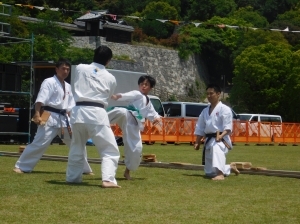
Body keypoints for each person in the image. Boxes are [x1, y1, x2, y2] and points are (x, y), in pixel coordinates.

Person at [13, 58, 93, 175]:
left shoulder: (68, 86)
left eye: (67, 69)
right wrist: (36, 113)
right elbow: (41, 98)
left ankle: (84, 169)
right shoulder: (49, 82)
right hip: (49, 115)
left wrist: (76, 120)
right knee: (39, 143)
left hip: (64, 118)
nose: (65, 71)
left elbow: (70, 107)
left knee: (77, 142)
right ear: (56, 69)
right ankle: (21, 166)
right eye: (63, 69)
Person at [66, 46, 121, 188]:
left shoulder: (80, 68)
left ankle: (73, 178)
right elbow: (108, 96)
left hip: (78, 112)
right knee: (109, 149)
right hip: (97, 113)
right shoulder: (111, 78)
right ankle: (108, 179)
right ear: (108, 61)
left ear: (94, 55)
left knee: (77, 146)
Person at [108, 75, 161, 180]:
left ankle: (127, 171)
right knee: (121, 111)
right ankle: (99, 119)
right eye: (142, 84)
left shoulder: (148, 102)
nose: (143, 86)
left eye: (146, 84)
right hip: (128, 115)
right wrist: (115, 96)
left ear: (151, 87)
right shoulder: (137, 94)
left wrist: (157, 119)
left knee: (136, 149)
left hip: (134, 125)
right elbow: (126, 95)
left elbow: (153, 114)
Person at [194, 83, 239, 180]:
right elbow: (200, 127)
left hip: (221, 140)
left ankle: (220, 174)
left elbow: (228, 127)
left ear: (218, 94)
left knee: (216, 147)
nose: (209, 96)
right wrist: (197, 142)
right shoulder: (205, 111)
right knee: (209, 173)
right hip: (209, 139)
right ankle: (229, 167)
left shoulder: (225, 109)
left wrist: (221, 136)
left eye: (211, 93)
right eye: (207, 94)